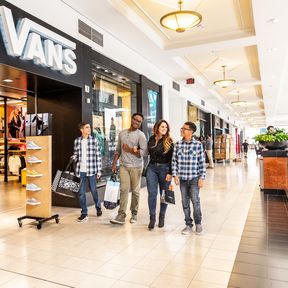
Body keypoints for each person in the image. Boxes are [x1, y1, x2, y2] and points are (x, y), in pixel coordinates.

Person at [110, 113, 147, 225]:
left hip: (136, 167)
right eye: (135, 119)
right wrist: (114, 163)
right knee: (123, 190)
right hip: (123, 166)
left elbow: (144, 152)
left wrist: (130, 149)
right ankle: (121, 214)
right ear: (132, 119)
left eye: (139, 121)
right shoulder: (122, 133)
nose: (137, 122)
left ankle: (134, 213)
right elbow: (118, 150)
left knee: (135, 191)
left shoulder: (141, 135)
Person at [172, 121, 206, 235]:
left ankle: (198, 223)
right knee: (185, 202)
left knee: (195, 201)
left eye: (184, 128)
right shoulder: (177, 145)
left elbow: (202, 162)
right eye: (182, 128)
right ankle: (188, 225)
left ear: (191, 131)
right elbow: (174, 162)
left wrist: (202, 178)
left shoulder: (198, 145)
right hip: (182, 179)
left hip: (194, 178)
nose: (181, 130)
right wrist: (175, 175)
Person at [146, 119, 174, 230]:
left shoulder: (169, 141)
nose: (164, 129)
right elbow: (148, 152)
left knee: (164, 195)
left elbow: (173, 159)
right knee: (152, 194)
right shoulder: (152, 139)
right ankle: (152, 218)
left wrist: (170, 173)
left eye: (166, 127)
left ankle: (162, 216)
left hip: (165, 169)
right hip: (152, 168)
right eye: (162, 127)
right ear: (157, 127)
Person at [73, 122, 102, 222]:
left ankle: (98, 206)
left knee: (94, 191)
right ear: (82, 130)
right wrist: (74, 157)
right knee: (81, 193)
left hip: (92, 170)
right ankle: (84, 213)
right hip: (81, 171)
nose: (89, 129)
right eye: (87, 127)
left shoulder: (94, 140)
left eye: (89, 127)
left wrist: (99, 170)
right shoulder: (77, 141)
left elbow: (98, 156)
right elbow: (76, 153)